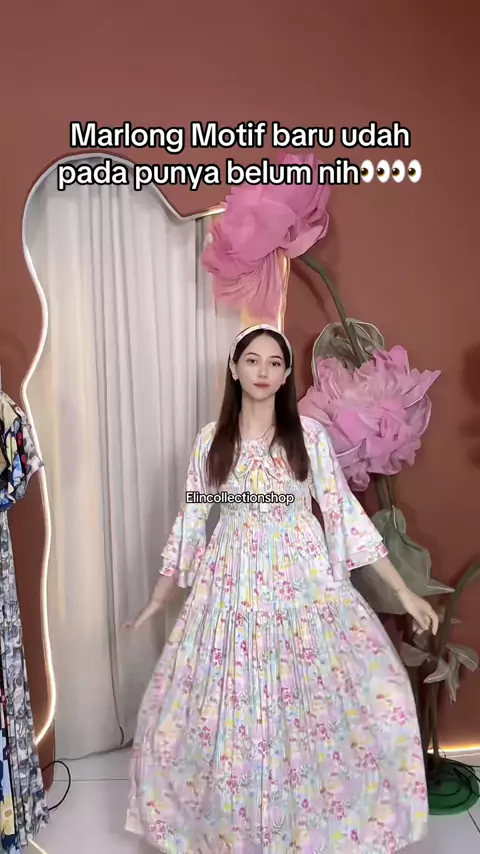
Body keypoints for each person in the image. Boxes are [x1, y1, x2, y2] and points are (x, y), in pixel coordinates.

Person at [124, 323, 437, 854]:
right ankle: (234, 830)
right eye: (252, 360)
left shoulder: (308, 436)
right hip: (232, 580)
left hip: (302, 578)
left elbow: (343, 512)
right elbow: (191, 522)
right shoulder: (211, 440)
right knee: (230, 703)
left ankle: (312, 827)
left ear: (287, 374)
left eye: (274, 362)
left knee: (321, 699)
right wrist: (158, 598)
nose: (263, 371)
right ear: (234, 368)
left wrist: (404, 591)